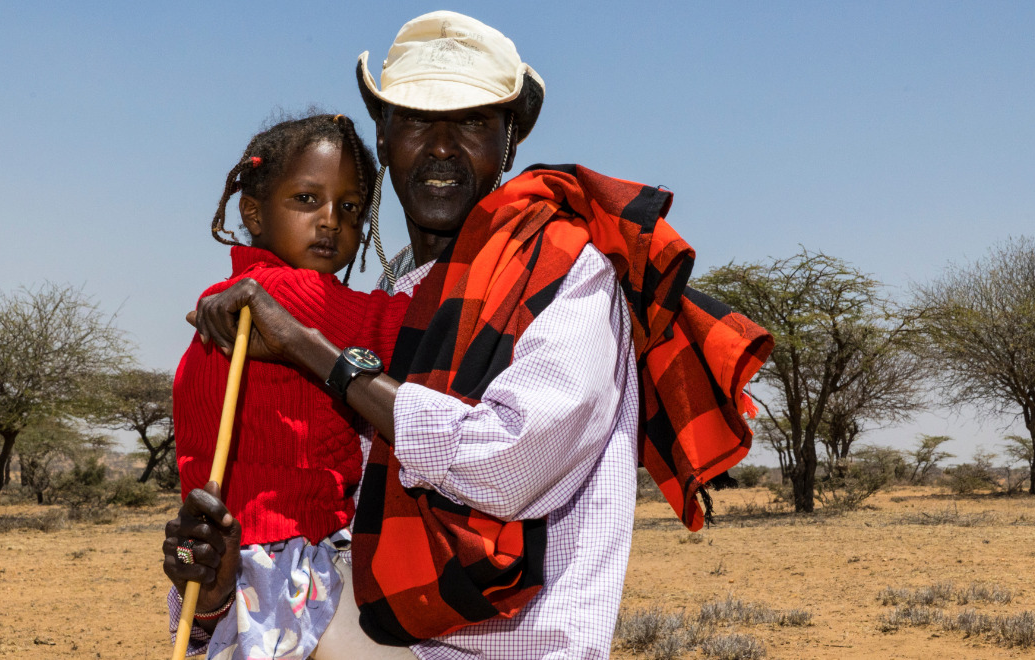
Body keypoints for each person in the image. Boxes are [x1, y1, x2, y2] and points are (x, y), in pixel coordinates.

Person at [168, 11, 771, 659]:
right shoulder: (399, 293)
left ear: (511, 140)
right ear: (385, 132)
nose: (442, 146)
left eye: (475, 121)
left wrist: (313, 351)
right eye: (418, 118)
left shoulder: (564, 270)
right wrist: (218, 589)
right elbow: (329, 560)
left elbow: (506, 468)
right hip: (388, 635)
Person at [166, 112, 410, 659]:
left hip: (235, 568)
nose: (331, 221)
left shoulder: (229, 296)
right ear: (252, 211)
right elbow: (413, 329)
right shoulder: (284, 296)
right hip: (291, 561)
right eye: (306, 200)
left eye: (351, 208)